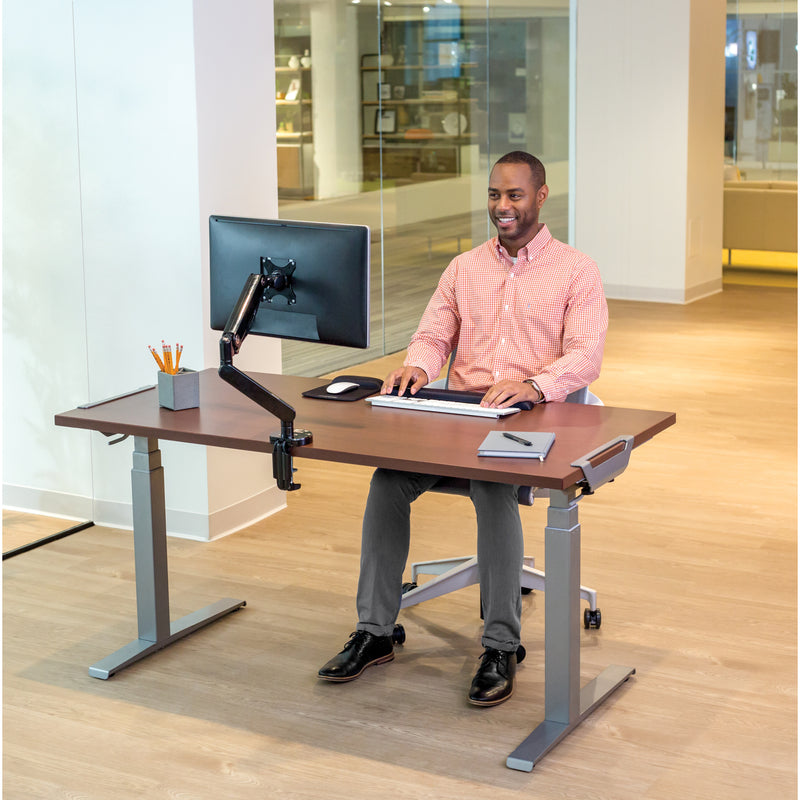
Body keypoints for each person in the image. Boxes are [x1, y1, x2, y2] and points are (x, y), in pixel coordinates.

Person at [317, 151, 608, 706]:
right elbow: (433, 335)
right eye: (495, 195)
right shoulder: (464, 267)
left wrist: (535, 383)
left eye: (515, 196)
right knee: (387, 481)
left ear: (541, 197)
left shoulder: (576, 270)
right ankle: (375, 632)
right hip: (459, 414)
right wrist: (418, 366)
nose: (502, 206)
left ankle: (500, 645)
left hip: (531, 417)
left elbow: (586, 357)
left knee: (492, 485)